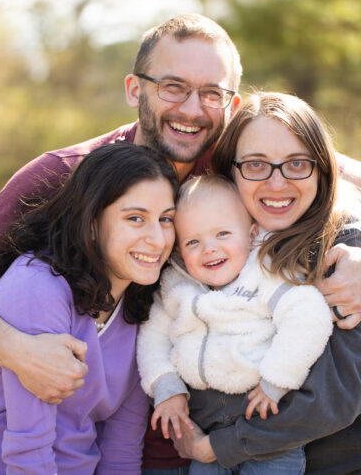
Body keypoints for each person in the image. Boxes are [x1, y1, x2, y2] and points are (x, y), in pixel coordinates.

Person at [0, 13, 359, 473]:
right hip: (119, 440)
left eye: (212, 93)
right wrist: (17, 351)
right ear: (135, 89)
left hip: (228, 435)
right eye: (173, 87)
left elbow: (324, 168)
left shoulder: (236, 164)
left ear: (230, 104)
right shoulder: (67, 176)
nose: (192, 109)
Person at [169, 92, 361, 474]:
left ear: (322, 169)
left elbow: (335, 396)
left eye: (297, 164)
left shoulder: (342, 255)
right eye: (256, 165)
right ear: (230, 172)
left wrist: (219, 446)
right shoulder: (211, 246)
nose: (277, 183)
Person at [0, 142, 179, 474]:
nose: (158, 239)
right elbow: (27, 453)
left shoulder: (139, 302)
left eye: (166, 219)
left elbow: (121, 448)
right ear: (92, 222)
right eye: (135, 218)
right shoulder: (37, 288)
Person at [137, 174, 334, 475]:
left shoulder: (267, 275)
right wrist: (166, 385)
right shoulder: (177, 288)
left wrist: (277, 380)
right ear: (178, 251)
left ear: (252, 233)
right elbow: (153, 336)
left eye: (223, 234)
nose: (209, 249)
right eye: (193, 241)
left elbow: (309, 317)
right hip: (206, 430)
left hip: (266, 421)